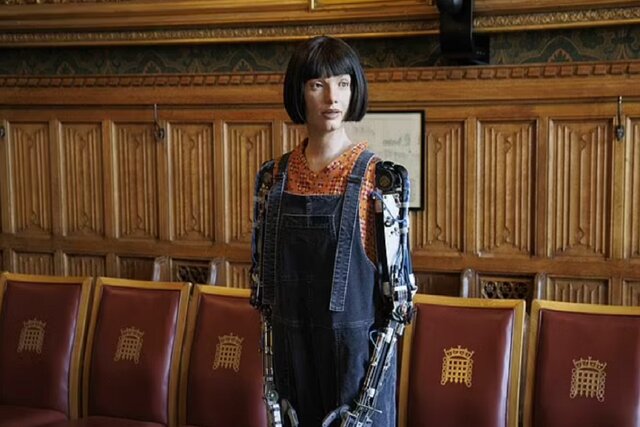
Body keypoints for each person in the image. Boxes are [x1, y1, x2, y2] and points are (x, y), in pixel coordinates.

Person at [252, 35, 397, 427]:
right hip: (291, 361)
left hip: (355, 371)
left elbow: (397, 304)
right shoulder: (274, 178)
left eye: (343, 83)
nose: (332, 97)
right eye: (318, 84)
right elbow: (263, 291)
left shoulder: (378, 179)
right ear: (300, 91)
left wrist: (365, 403)